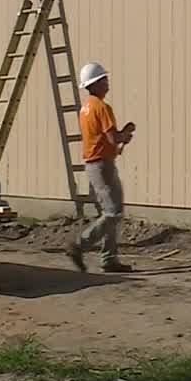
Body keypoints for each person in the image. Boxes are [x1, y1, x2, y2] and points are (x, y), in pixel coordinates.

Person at [67, 62, 136, 273]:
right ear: (96, 84)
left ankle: (109, 258)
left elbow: (103, 138)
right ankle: (80, 245)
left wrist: (119, 140)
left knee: (111, 211)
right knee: (113, 213)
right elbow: (112, 137)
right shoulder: (102, 107)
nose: (107, 83)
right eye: (104, 80)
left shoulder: (86, 107)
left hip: (95, 162)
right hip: (101, 164)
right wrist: (125, 133)